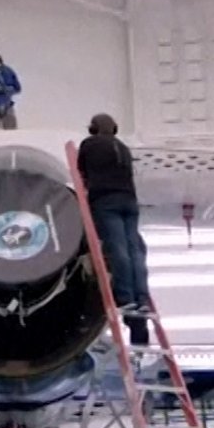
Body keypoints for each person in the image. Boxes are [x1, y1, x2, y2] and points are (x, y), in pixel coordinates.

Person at [77, 113, 154, 344]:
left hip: (105, 200)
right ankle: (142, 298)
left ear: (93, 128)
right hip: (130, 201)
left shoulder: (89, 145)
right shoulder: (124, 148)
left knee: (117, 248)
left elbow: (82, 172)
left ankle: (125, 297)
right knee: (135, 251)